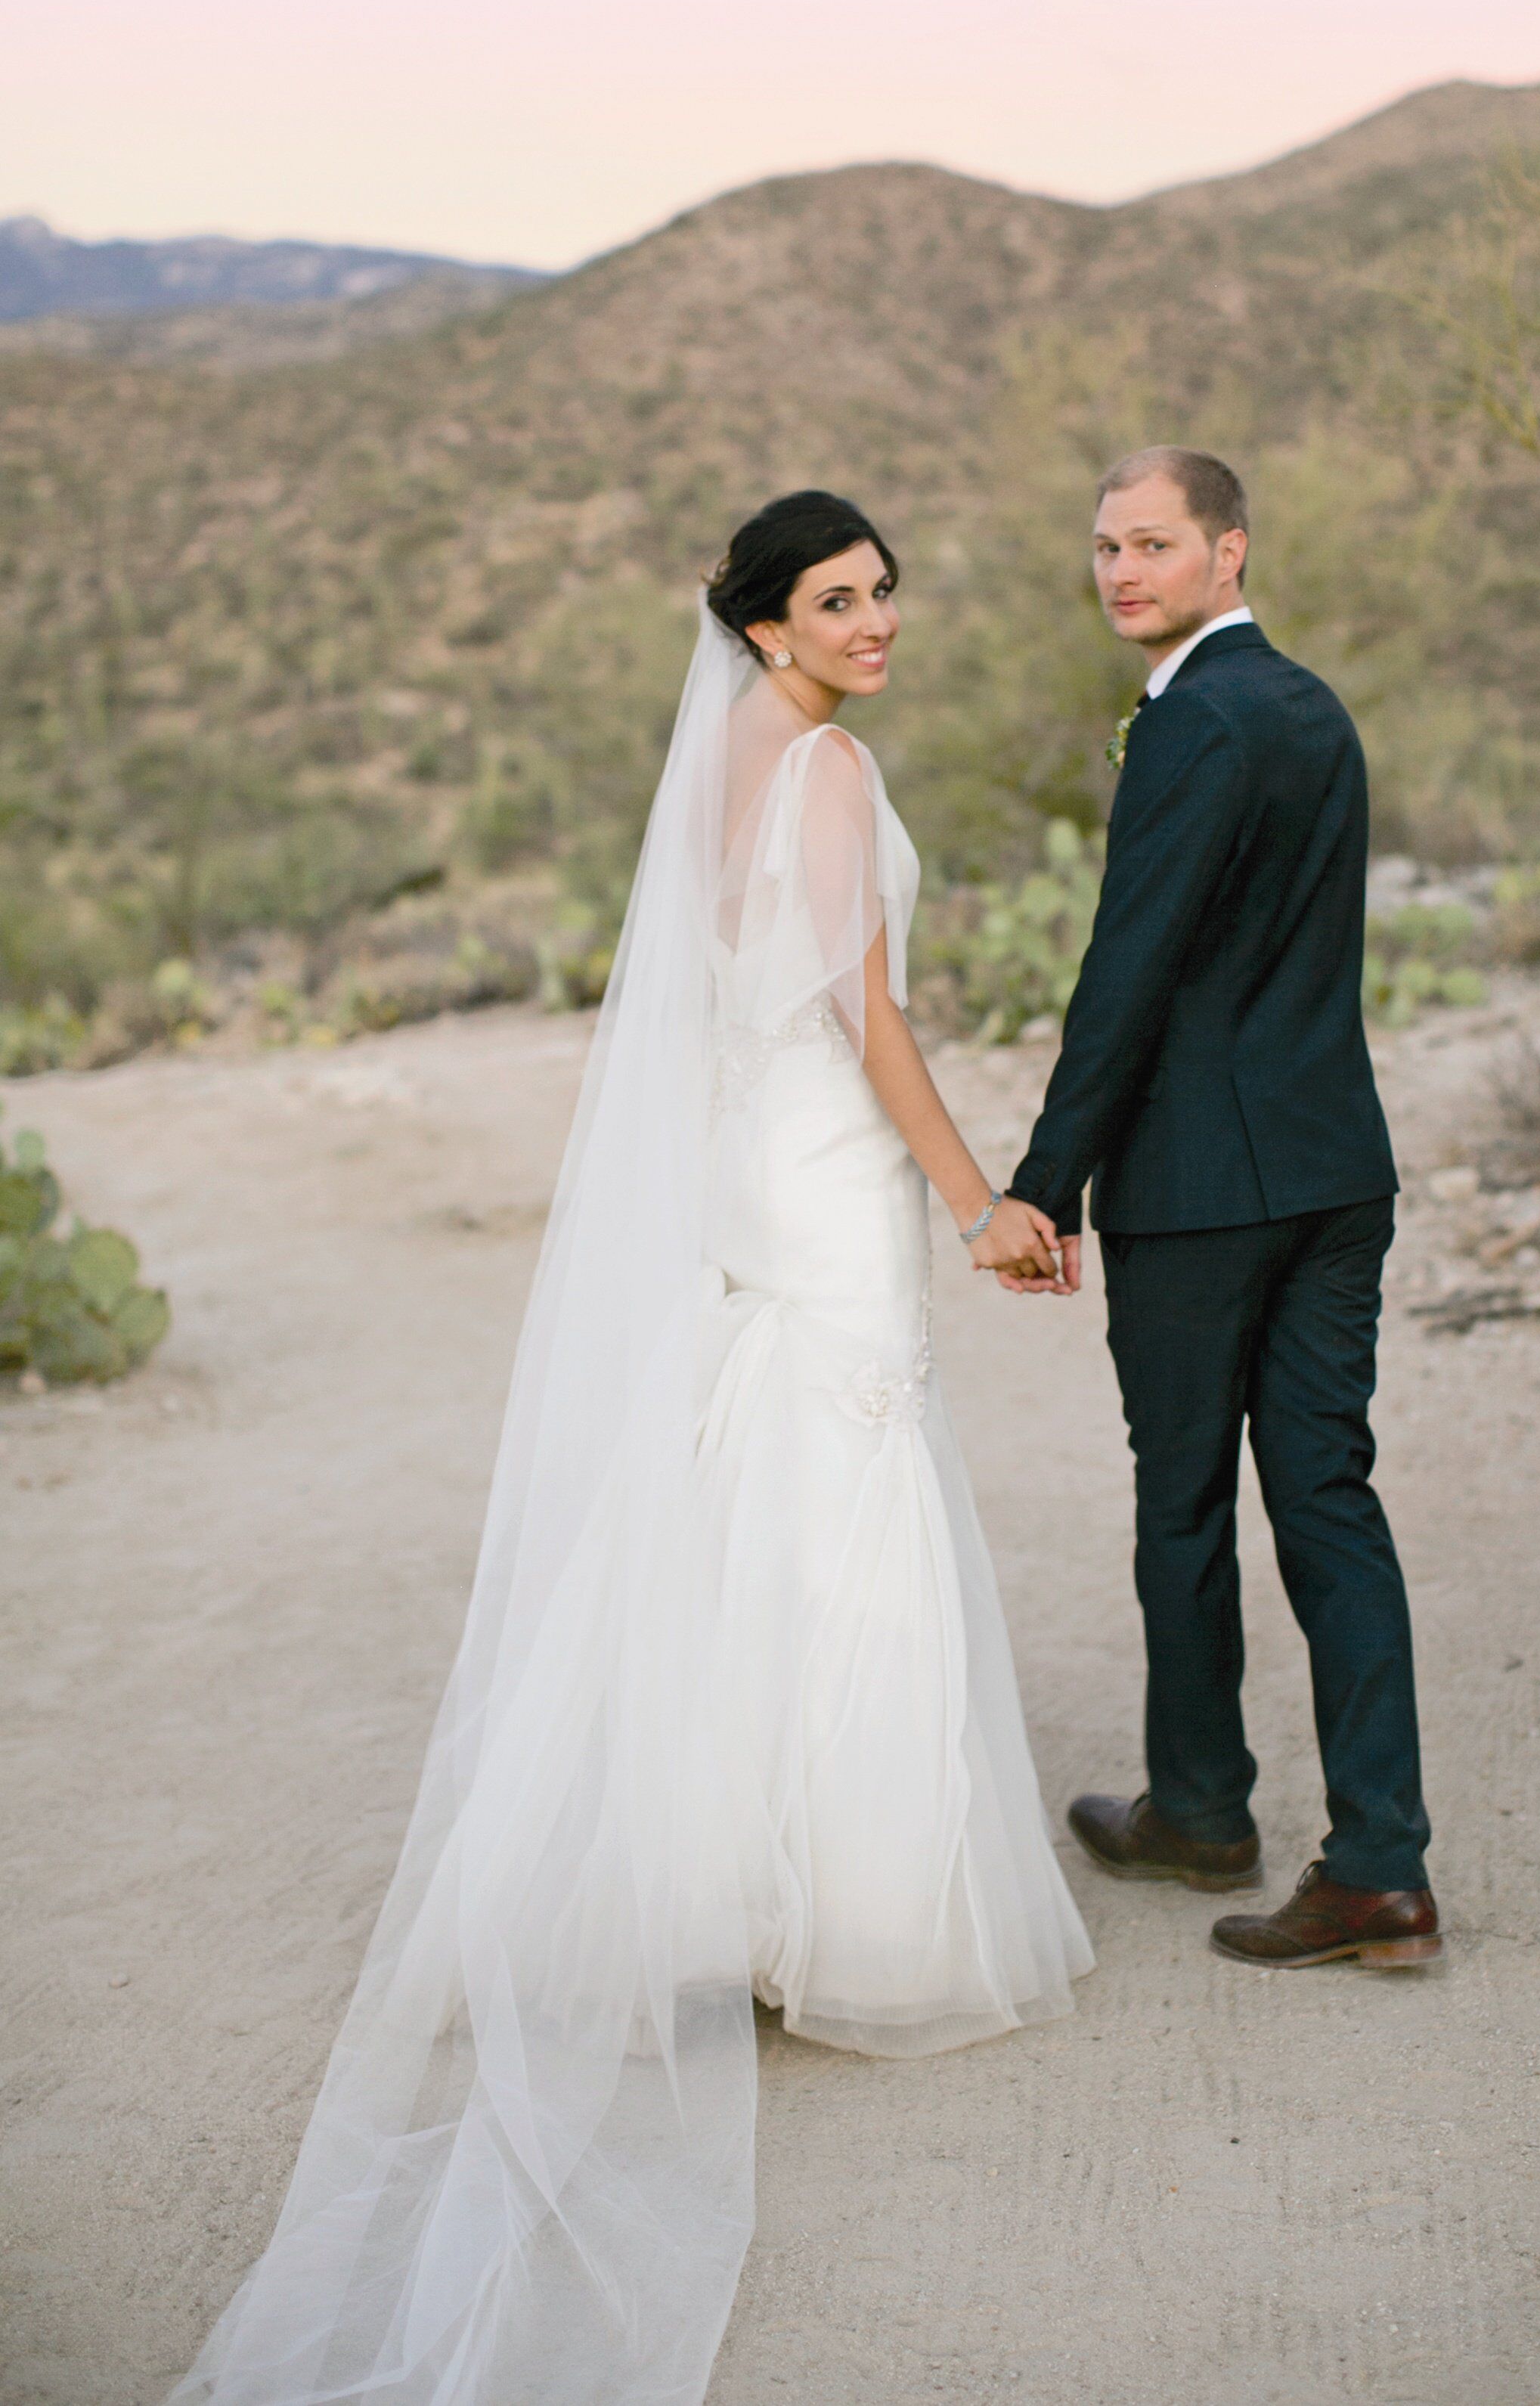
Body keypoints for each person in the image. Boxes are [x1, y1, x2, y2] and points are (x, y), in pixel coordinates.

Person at [169, 492, 1091, 2406]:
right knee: (844, 1482)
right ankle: (845, 1915)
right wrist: (978, 1194)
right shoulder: (821, 766)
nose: (873, 623)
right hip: (827, 1171)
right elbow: (866, 1020)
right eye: (836, 602)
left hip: (743, 1169)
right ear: (761, 629)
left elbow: (709, 1009)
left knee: (755, 1479)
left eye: (883, 593)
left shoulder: (721, 766)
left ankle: (711, 1891)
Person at [1000, 447, 1441, 1973]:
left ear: (1228, 551)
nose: (1120, 571)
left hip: (1200, 1192)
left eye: (1153, 544)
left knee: (1183, 1499)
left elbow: (1127, 971)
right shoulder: (1311, 706)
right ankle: (1380, 1865)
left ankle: (1199, 1811)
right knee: (1329, 1497)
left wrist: (1043, 1182)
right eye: (1104, 545)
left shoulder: (1191, 722)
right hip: (1334, 1170)